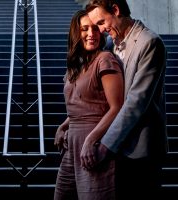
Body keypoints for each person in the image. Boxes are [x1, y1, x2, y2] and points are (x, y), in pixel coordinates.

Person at [85, 0, 168, 199]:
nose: (101, 30)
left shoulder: (150, 42)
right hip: (119, 148)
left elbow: (136, 102)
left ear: (116, 9)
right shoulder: (111, 46)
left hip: (141, 150)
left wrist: (105, 145)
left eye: (102, 22)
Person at [53, 9, 124, 200]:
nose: (91, 34)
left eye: (95, 28)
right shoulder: (76, 65)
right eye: (84, 29)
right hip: (72, 144)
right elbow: (84, 104)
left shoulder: (105, 59)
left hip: (94, 142)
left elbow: (117, 106)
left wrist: (91, 140)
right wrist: (63, 125)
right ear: (76, 33)